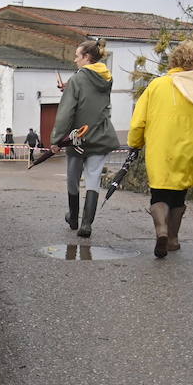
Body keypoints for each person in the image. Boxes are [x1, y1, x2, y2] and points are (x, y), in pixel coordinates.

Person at [126, 40, 193, 258]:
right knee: (179, 194)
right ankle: (173, 239)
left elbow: (138, 121)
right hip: (190, 148)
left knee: (158, 192)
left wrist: (135, 142)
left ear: (173, 60)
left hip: (160, 148)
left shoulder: (157, 85)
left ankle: (161, 230)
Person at [51, 39, 119, 237]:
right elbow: (92, 100)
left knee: (72, 179)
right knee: (93, 179)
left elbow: (66, 112)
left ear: (86, 57)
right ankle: (87, 224)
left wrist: (56, 139)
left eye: (77, 56)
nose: (75, 60)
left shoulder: (77, 79)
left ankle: (73, 217)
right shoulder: (107, 78)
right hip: (100, 135)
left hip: (78, 137)